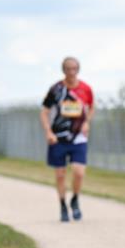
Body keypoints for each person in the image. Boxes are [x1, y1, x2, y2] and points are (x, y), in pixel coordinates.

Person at [39, 56, 94, 222]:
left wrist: (86, 122)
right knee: (60, 174)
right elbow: (44, 112)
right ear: (64, 70)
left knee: (78, 172)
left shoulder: (85, 89)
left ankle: (75, 199)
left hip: (78, 137)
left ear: (78, 70)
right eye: (68, 69)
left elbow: (92, 107)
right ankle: (63, 205)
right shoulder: (56, 89)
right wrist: (48, 132)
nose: (72, 72)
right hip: (58, 138)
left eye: (74, 69)